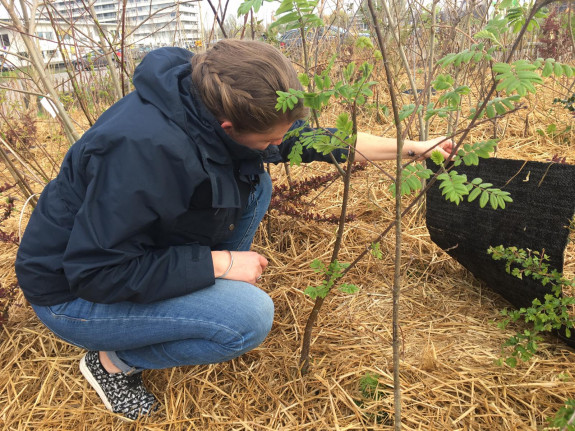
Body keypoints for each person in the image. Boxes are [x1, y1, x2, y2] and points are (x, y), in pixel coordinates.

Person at [15, 40, 453, 420]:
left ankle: (204, 295)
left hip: (124, 255)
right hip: (74, 296)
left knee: (255, 182)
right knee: (248, 318)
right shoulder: (143, 154)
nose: (278, 147)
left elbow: (308, 140)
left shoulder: (213, 97)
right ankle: (113, 361)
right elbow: (95, 271)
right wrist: (220, 263)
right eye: (268, 141)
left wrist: (411, 149)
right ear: (229, 127)